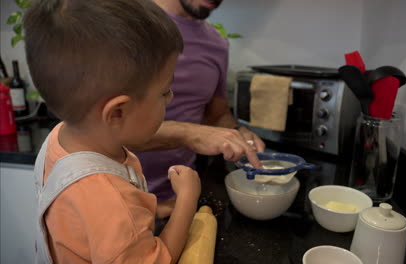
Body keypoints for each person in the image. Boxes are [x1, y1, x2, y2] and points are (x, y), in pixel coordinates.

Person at [24, 0, 198, 263]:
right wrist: (187, 198)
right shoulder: (111, 200)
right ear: (117, 112)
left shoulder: (62, 137)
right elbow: (158, 258)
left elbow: (88, 222)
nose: (171, 98)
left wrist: (148, 210)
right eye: (164, 92)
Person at [136, 0, 266, 202]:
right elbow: (96, 130)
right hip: (112, 203)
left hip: (179, 199)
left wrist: (237, 132)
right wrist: (188, 134)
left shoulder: (217, 43)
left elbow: (217, 114)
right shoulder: (123, 22)